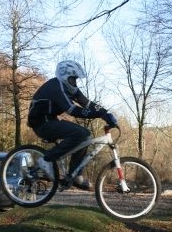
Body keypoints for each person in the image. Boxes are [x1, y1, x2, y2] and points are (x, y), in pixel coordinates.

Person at [27, 60, 118, 190]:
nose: (75, 83)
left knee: (85, 137)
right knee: (81, 134)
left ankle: (75, 175)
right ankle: (46, 160)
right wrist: (97, 115)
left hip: (50, 120)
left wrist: (105, 113)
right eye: (73, 79)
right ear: (65, 76)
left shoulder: (68, 86)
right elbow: (72, 110)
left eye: (76, 79)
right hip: (41, 123)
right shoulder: (56, 86)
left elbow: (87, 103)